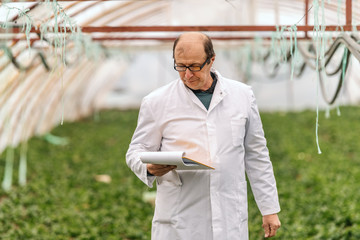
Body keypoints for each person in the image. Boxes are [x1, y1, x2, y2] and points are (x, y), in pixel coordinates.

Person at [126, 32, 281, 240]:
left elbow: (256, 155)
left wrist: (269, 208)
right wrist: (148, 168)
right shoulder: (156, 102)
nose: (188, 74)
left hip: (229, 215)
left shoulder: (242, 95)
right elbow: (135, 151)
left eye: (195, 66)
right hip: (180, 219)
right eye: (181, 66)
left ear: (211, 60)